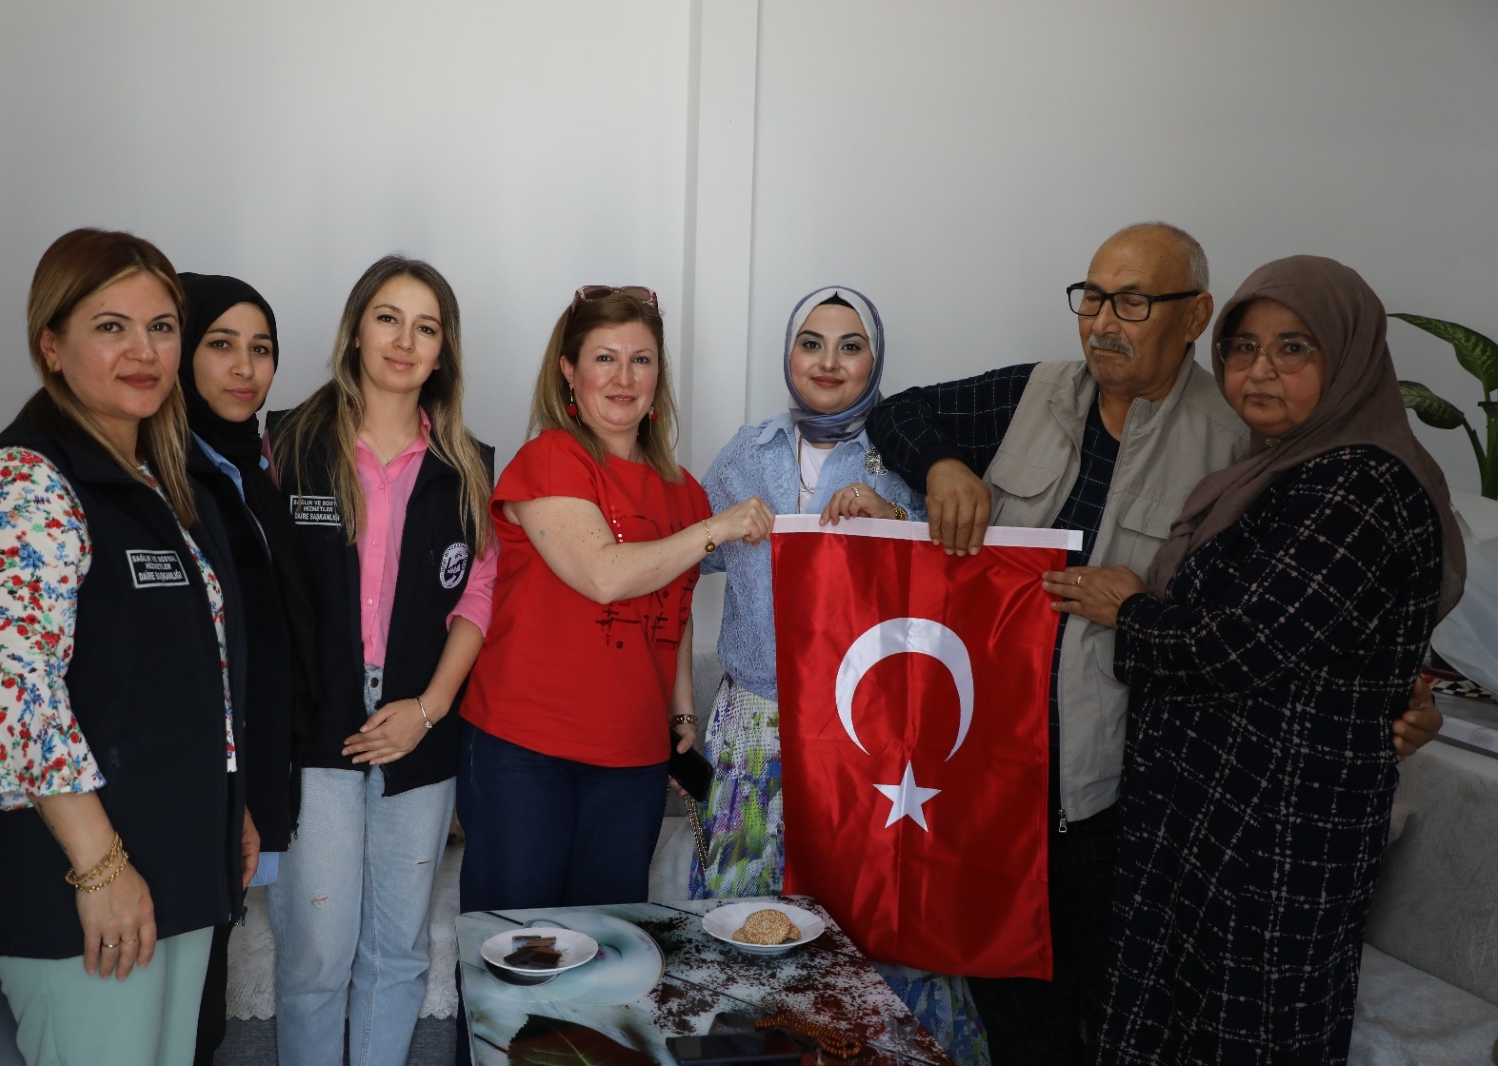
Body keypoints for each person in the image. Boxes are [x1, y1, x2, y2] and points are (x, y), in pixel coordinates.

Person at [867, 223, 1445, 1065]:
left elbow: (1313, 602)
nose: (1104, 322)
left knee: (1119, 1021)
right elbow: (898, 412)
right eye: (1093, 298)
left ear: (1193, 316)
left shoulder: (1249, 437)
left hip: (1127, 799)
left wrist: (1401, 686)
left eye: (1133, 302)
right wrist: (944, 468)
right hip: (993, 782)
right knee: (1017, 1023)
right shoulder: (1032, 394)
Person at [1046, 255, 1464, 1064]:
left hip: (1274, 838)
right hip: (1213, 819)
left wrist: (1128, 610)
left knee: (1247, 1033)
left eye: (1293, 347)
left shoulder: (1358, 485)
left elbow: (1241, 643)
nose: (1260, 370)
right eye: (1242, 348)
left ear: (1349, 357)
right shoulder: (1277, 471)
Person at [0, 227, 251, 1065]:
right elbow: (19, 693)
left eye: (161, 327)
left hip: (174, 861)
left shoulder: (157, 482)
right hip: (86, 885)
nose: (144, 351)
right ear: (52, 344)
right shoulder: (22, 481)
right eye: (112, 326)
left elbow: (195, 674)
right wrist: (101, 869)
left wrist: (233, 810)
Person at [689, 286, 984, 1061]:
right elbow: (690, 557)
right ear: (788, 356)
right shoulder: (745, 453)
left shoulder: (907, 456)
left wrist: (900, 526)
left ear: (875, 361)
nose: (828, 361)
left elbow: (957, 589)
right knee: (744, 920)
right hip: (756, 725)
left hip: (866, 736)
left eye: (850, 346)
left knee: (872, 921)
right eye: (811, 343)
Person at [458, 284, 774, 915]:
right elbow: (602, 574)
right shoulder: (551, 458)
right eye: (605, 358)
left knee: (609, 946)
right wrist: (716, 529)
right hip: (526, 750)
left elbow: (676, 606)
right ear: (568, 371)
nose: (624, 378)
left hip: (633, 757)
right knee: (515, 947)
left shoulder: (684, 491)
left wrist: (681, 714)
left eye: (641, 360)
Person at [266, 255, 495, 1066]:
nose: (404, 340)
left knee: (398, 949)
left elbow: (478, 598)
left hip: (421, 726)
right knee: (317, 953)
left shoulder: (467, 464)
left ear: (442, 352)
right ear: (357, 330)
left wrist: (428, 708)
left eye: (426, 328)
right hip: (314, 724)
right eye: (388, 319)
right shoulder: (286, 443)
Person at [176, 272, 316, 1064]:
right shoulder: (166, 474)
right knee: (172, 1010)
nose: (244, 368)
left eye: (261, 349)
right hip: (191, 781)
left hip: (245, 769)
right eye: (221, 344)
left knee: (203, 1007)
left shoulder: (246, 470)